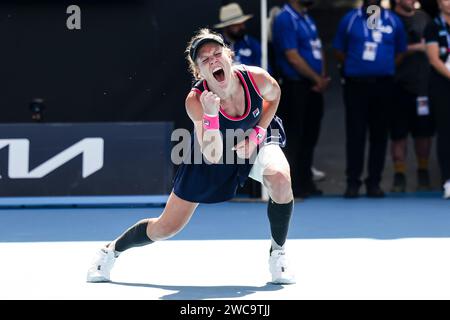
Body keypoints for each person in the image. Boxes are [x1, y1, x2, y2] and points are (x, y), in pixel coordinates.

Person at [86, 29, 296, 284]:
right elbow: (214, 154)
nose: (213, 61)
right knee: (166, 227)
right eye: (205, 60)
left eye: (217, 54)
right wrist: (210, 115)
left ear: (230, 57)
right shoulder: (195, 101)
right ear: (199, 72)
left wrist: (258, 134)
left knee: (281, 179)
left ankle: (278, 253)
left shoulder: (257, 78)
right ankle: (110, 251)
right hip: (213, 152)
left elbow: (274, 98)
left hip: (256, 139)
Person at [333, 0, 407, 198]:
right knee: (355, 134)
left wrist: (384, 66)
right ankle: (353, 182)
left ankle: (374, 182)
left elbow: (401, 50)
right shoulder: (350, 19)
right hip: (356, 85)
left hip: (384, 84)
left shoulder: (393, 21)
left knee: (380, 134)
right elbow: (338, 50)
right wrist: (355, 65)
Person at [272, 0, 330, 198]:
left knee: (310, 136)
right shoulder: (285, 18)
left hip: (313, 86)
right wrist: (316, 78)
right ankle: (293, 185)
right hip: (295, 85)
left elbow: (319, 49)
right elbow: (292, 56)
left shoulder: (307, 18)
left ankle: (306, 181)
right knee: (294, 136)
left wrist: (321, 77)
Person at [389, 0, 434, 192]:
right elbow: (382, 45)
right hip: (397, 86)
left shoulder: (424, 17)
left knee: (423, 133)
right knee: (398, 134)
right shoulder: (387, 18)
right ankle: (399, 175)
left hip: (423, 86)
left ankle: (423, 172)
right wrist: (414, 48)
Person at [424, 0, 450, 199]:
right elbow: (434, 59)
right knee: (446, 133)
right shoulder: (433, 26)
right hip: (443, 87)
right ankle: (448, 181)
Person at [214, 2, 263, 67]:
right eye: (237, 25)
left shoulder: (252, 43)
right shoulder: (217, 46)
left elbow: (265, 68)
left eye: (242, 23)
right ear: (226, 27)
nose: (242, 27)